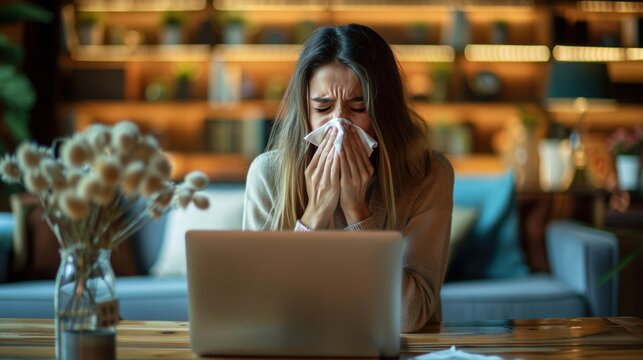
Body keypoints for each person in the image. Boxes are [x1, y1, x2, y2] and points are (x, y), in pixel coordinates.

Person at [242, 24, 453, 332]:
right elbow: (261, 310)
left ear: (384, 110)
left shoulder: (427, 175)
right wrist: (314, 216)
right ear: (305, 111)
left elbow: (408, 317)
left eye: (359, 106)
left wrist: (358, 215)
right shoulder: (268, 174)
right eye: (323, 107)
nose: (339, 123)